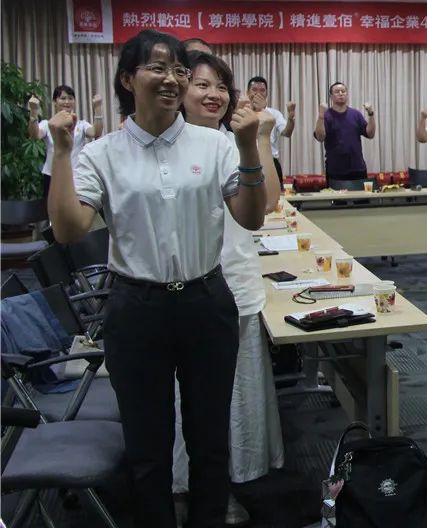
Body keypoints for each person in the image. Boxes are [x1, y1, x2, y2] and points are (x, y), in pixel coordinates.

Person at [47, 29, 267, 527]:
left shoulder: (214, 144)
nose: (172, 79)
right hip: (136, 308)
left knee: (210, 442)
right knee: (147, 447)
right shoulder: (102, 153)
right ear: (128, 79)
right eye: (158, 68)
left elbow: (251, 217)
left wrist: (249, 148)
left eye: (179, 70)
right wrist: (61, 152)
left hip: (206, 301)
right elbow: (68, 229)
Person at [176, 53, 284, 525]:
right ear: (179, 89)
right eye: (201, 84)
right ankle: (182, 487)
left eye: (221, 86)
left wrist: (259, 137)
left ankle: (225, 487)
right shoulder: (168, 144)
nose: (213, 94)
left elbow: (271, 201)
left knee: (234, 395)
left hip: (236, 280)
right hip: (185, 289)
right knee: (186, 399)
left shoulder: (232, 140)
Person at [27, 86, 103, 196]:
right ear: (55, 102)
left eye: (70, 98)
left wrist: (98, 108)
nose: (67, 102)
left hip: (77, 176)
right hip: (52, 176)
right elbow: (35, 135)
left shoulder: (81, 124)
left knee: (75, 206)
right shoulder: (48, 124)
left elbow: (96, 132)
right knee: (53, 207)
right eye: (63, 98)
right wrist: (33, 112)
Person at [314, 82, 375, 182]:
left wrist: (371, 114)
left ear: (347, 94)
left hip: (358, 168)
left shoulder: (356, 114)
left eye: (343, 91)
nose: (341, 93)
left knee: (361, 193)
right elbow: (320, 137)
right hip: (335, 170)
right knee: (336, 193)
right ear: (331, 97)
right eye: (337, 92)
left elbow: (370, 134)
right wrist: (321, 116)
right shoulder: (327, 116)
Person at [247, 76, 295, 186]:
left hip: (271, 161)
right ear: (248, 92)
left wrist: (291, 118)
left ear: (267, 93)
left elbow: (287, 133)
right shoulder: (242, 112)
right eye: (254, 90)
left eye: (262, 90)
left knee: (275, 196)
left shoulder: (274, 113)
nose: (258, 94)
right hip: (248, 162)